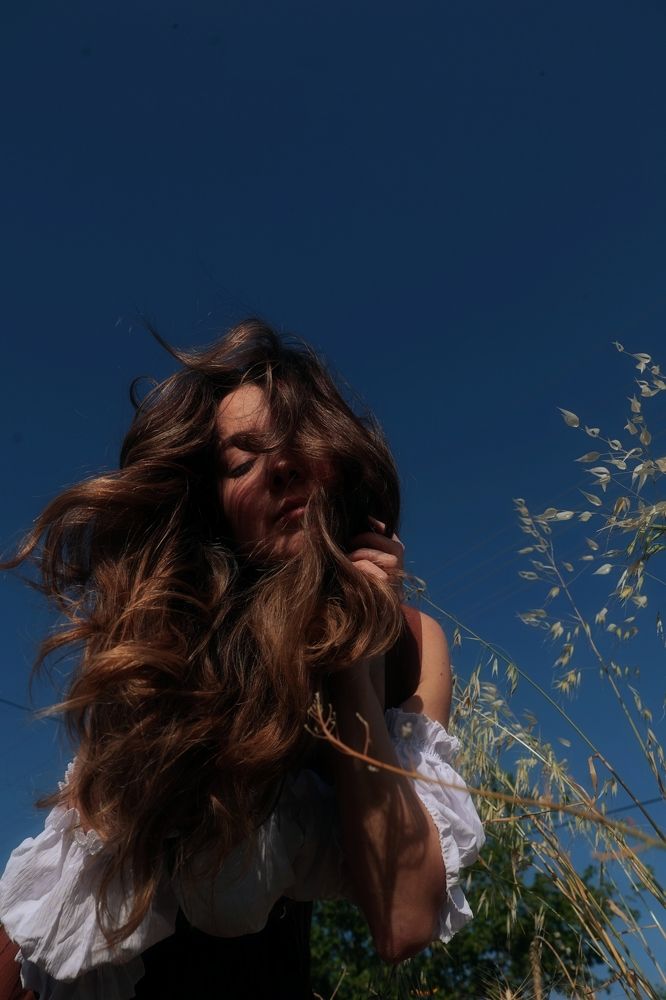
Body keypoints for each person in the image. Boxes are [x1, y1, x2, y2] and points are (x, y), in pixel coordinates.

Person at [0, 319, 485, 999]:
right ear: (220, 512)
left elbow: (405, 921)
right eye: (239, 463)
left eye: (295, 437)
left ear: (340, 453)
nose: (277, 466)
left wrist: (353, 664)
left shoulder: (411, 643)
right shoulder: (172, 635)